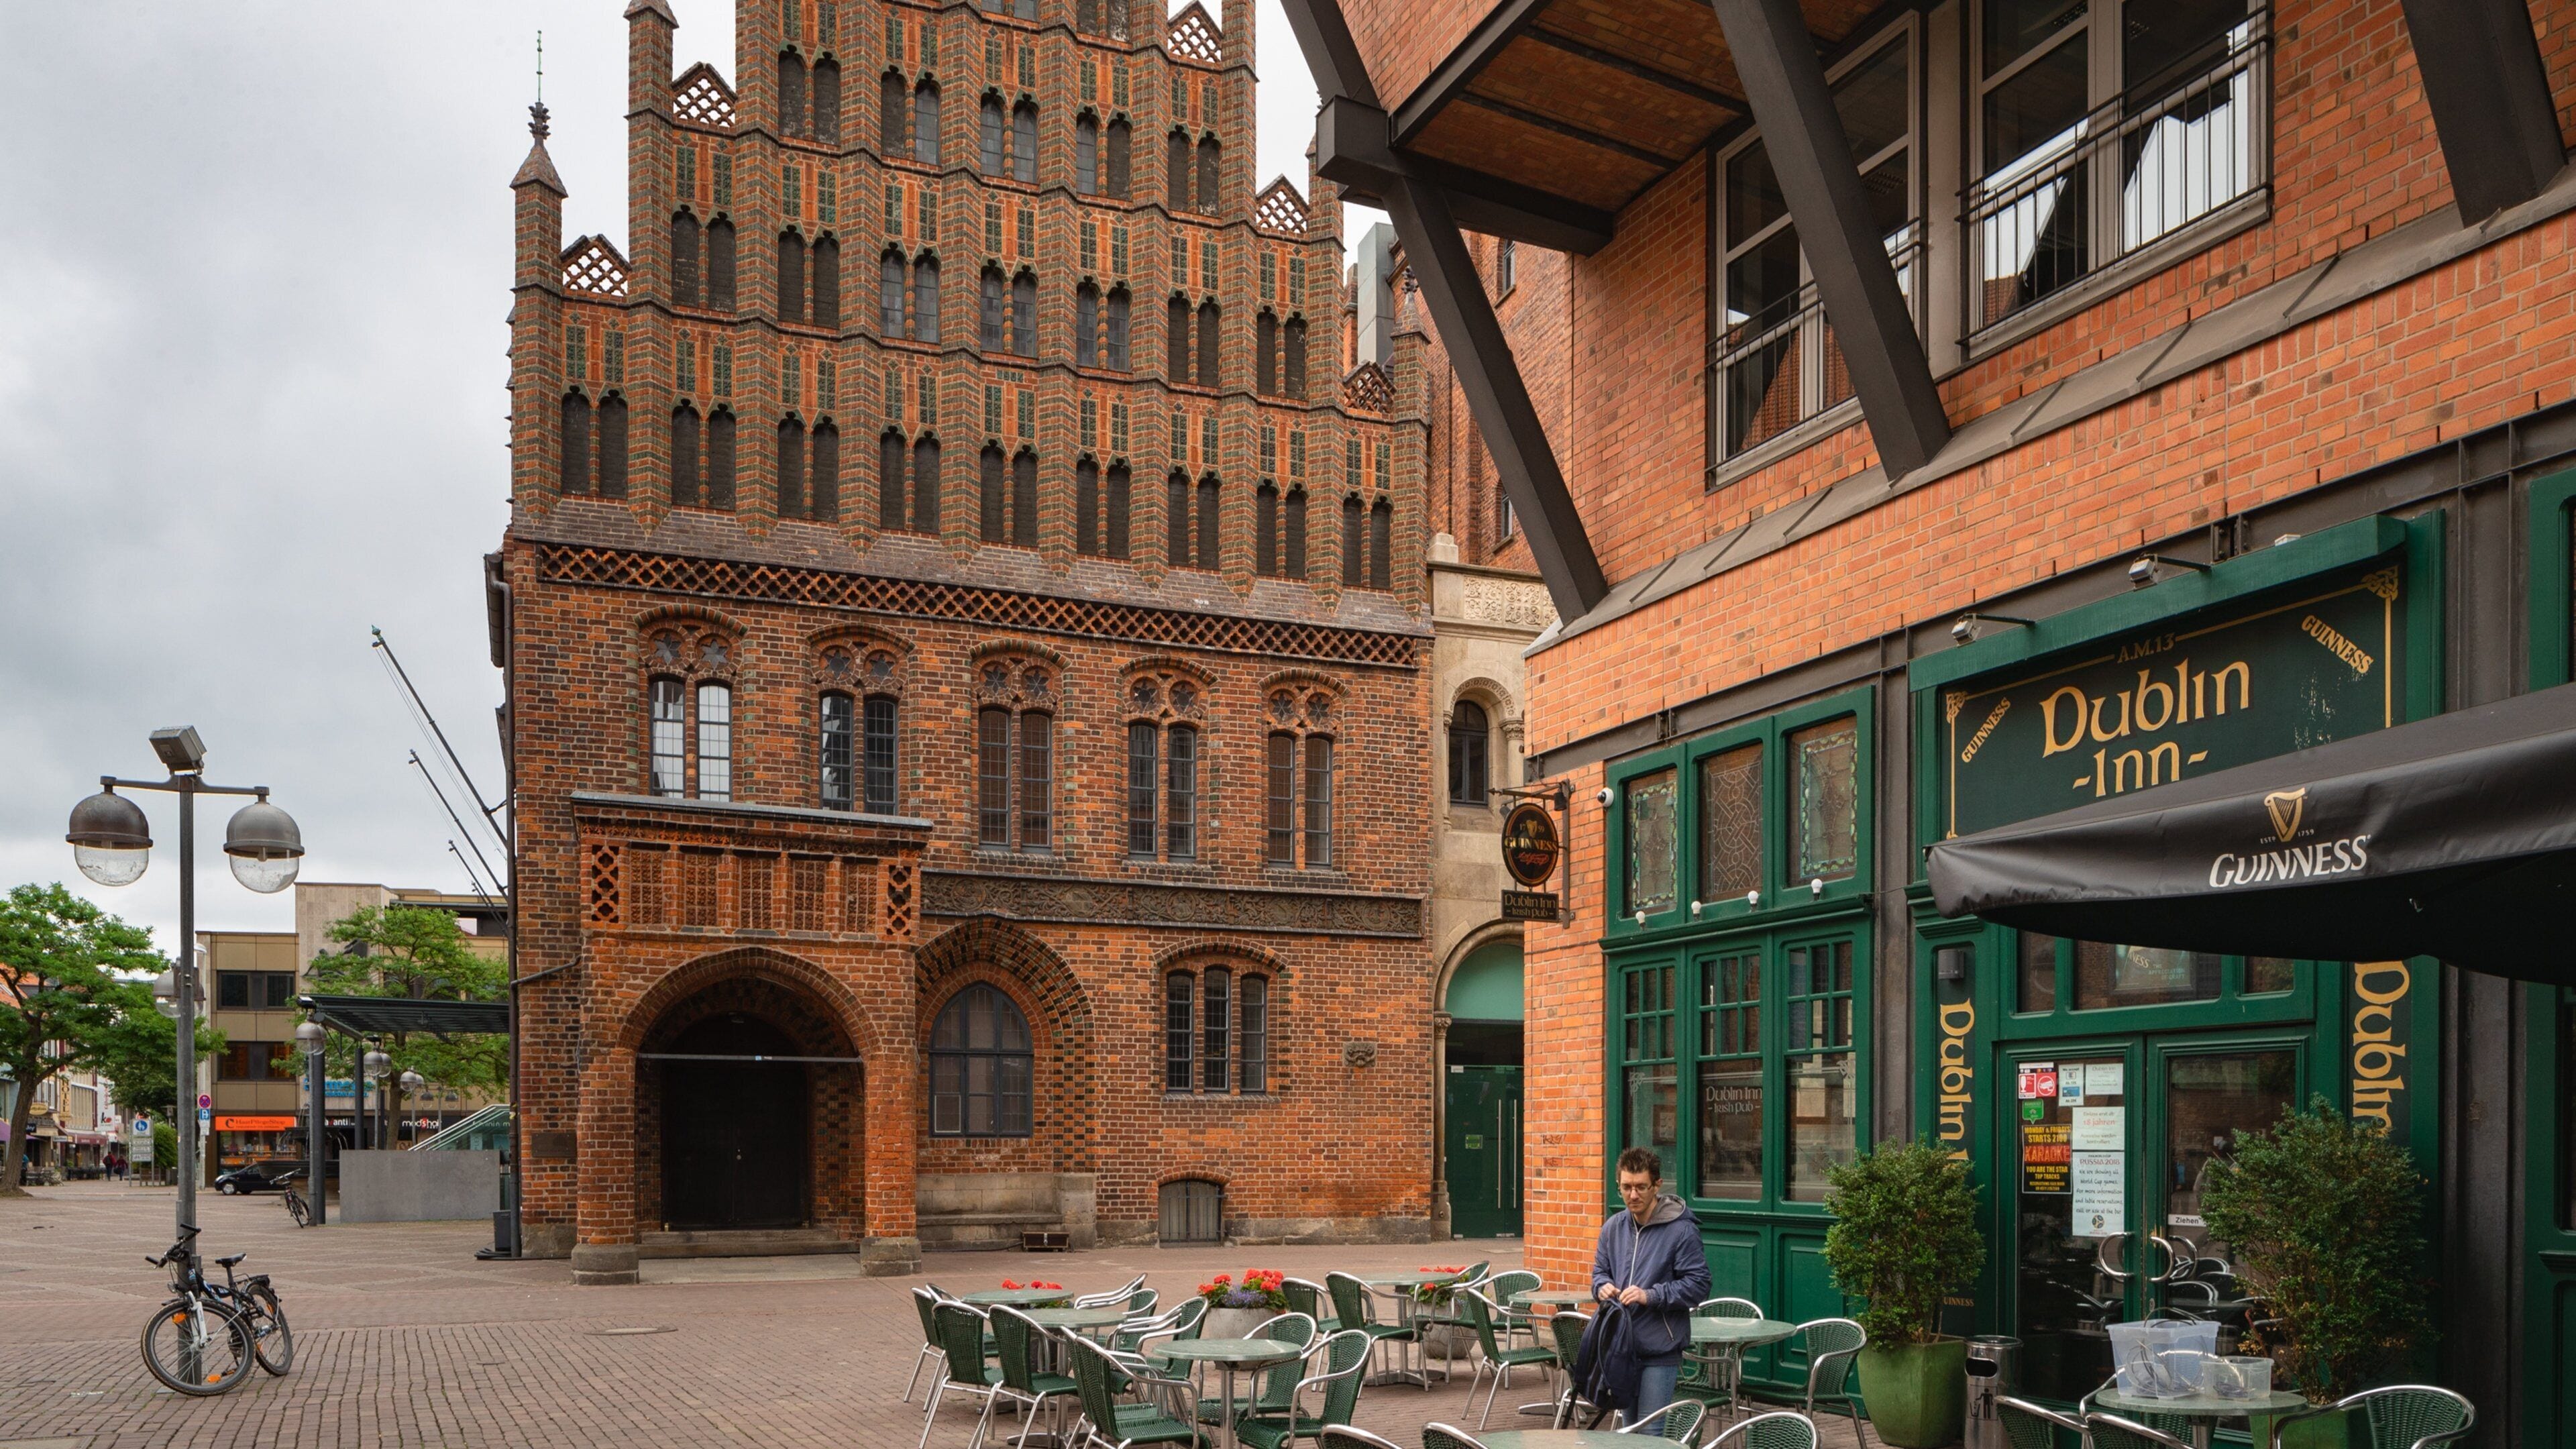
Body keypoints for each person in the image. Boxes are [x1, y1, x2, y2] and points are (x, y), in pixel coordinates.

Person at [1585, 1146, 1709, 1425]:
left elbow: (1699, 1285)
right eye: (1626, 1187)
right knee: (1630, 1432)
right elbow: (1600, 1272)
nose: (1633, 1195)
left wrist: (1650, 1296)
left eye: (1641, 1187)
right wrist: (1601, 1286)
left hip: (1660, 1349)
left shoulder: (1682, 1230)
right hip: (1620, 1347)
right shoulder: (1612, 1227)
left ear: (1657, 1185)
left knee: (1651, 1432)